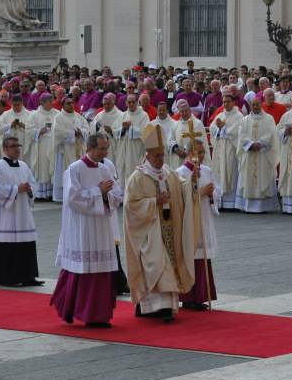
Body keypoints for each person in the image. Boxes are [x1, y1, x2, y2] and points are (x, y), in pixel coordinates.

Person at [123, 124, 194, 322]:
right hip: (149, 231)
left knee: (167, 264)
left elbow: (181, 188)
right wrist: (155, 202)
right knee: (156, 264)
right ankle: (152, 306)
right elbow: (131, 206)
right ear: (147, 155)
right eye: (157, 156)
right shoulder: (137, 177)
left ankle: (164, 307)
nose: (161, 159)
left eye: (162, 155)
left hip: (169, 227)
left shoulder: (168, 172)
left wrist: (192, 183)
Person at [50, 133, 121, 327]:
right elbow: (72, 199)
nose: (105, 152)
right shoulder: (75, 169)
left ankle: (99, 315)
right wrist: (99, 192)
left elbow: (117, 193)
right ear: (90, 148)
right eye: (102, 148)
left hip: (101, 228)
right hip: (82, 228)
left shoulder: (105, 168)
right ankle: (76, 310)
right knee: (82, 269)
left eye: (106, 148)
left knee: (102, 271)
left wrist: (107, 196)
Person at [0, 136, 43, 286]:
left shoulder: (24, 166)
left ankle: (26, 276)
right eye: (13, 146)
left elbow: (33, 184)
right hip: (4, 213)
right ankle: (7, 277)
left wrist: (29, 189)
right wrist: (16, 189)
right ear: (5, 149)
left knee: (25, 243)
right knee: (6, 244)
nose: (17, 148)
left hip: (22, 211)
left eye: (18, 145)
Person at [175, 139, 219, 310]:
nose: (200, 156)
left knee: (203, 258)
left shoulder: (206, 171)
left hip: (204, 219)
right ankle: (188, 297)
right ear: (188, 153)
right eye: (196, 153)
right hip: (189, 222)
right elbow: (179, 198)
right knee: (191, 257)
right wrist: (200, 193)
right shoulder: (180, 173)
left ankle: (202, 295)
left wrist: (212, 193)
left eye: (202, 153)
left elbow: (217, 190)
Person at [235, 97, 280, 213]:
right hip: (249, 153)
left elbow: (271, 134)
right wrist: (250, 144)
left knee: (263, 176)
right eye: (253, 105)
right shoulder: (245, 120)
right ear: (250, 106)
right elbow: (241, 135)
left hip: (263, 154)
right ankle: (248, 206)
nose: (255, 107)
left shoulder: (269, 119)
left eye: (257, 104)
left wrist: (259, 144)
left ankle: (264, 206)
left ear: (261, 104)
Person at [209, 93, 243, 211]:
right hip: (219, 149)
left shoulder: (238, 116)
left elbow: (237, 132)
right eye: (224, 102)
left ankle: (231, 203)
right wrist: (219, 129)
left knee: (231, 173)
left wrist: (223, 128)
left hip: (230, 149)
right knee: (219, 174)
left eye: (228, 101)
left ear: (233, 102)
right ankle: (220, 202)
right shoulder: (220, 115)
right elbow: (212, 129)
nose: (226, 104)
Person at [51, 96, 89, 202]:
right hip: (65, 150)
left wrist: (81, 132)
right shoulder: (58, 117)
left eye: (72, 103)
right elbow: (57, 132)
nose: (71, 105)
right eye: (68, 103)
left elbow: (87, 128)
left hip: (78, 149)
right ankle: (64, 195)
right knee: (64, 172)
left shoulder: (78, 116)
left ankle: (78, 193)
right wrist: (72, 133)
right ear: (63, 105)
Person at [113, 93, 150, 181]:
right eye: (129, 102)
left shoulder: (144, 115)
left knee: (134, 172)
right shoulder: (122, 115)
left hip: (135, 150)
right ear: (126, 103)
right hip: (123, 150)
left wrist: (131, 128)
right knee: (122, 172)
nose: (131, 104)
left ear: (137, 102)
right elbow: (114, 131)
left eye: (133, 102)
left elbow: (146, 133)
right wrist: (122, 129)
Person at [30, 94, 60, 199]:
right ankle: (41, 194)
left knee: (51, 166)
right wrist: (39, 131)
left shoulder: (57, 114)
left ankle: (51, 193)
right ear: (42, 102)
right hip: (41, 145)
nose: (52, 103)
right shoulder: (34, 115)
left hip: (53, 144)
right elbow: (28, 130)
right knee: (43, 168)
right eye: (49, 101)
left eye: (52, 101)